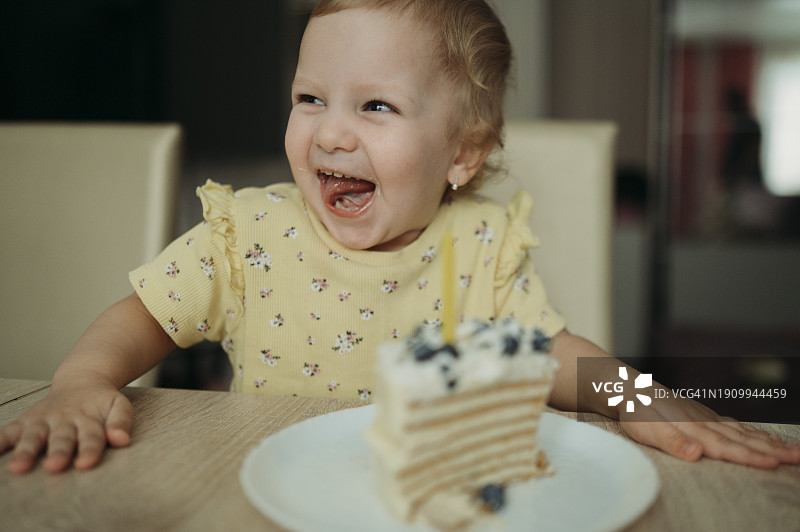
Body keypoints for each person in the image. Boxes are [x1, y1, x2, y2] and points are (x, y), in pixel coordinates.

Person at [2, 0, 798, 475]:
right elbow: (141, 316)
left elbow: (550, 354)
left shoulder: (476, 252)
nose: (331, 134)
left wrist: (640, 398)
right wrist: (81, 380)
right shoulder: (249, 234)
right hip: (265, 493)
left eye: (375, 107)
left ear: (463, 153)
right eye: (310, 97)